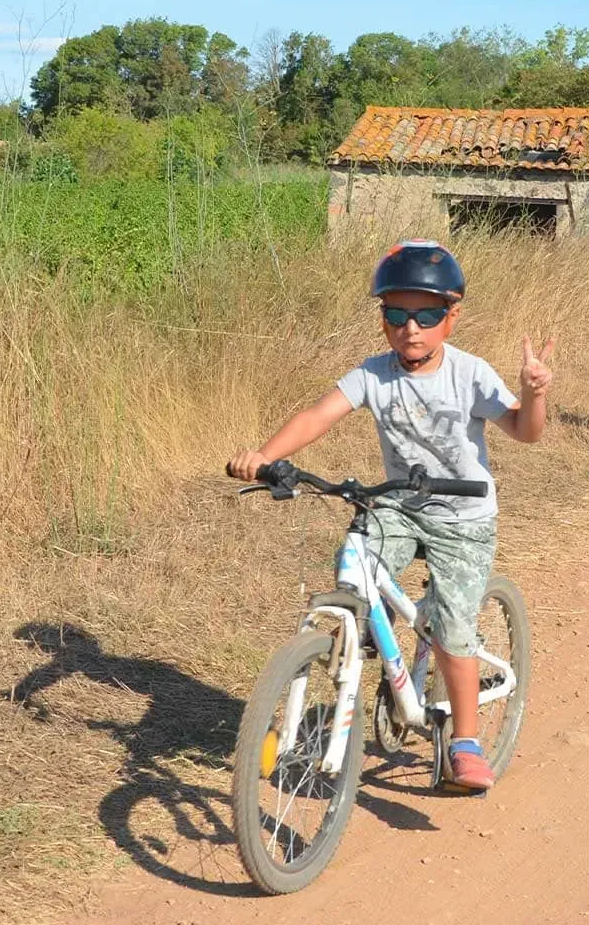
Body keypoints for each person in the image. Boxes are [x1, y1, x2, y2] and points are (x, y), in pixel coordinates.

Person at [227, 240, 555, 792]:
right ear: (383, 320)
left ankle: (466, 741)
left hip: (463, 515)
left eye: (427, 314)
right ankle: (366, 643)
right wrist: (266, 457)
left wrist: (532, 393)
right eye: (397, 314)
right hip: (399, 506)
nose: (411, 328)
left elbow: (526, 430)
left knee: (453, 627)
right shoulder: (373, 375)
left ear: (452, 318)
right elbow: (318, 415)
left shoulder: (469, 374)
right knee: (355, 557)